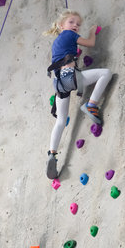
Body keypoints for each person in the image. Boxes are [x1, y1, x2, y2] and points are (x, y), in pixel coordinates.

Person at [43, 10, 112, 179]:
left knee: (60, 120)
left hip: (59, 84)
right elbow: (90, 43)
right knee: (106, 73)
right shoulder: (69, 35)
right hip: (71, 77)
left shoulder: (57, 42)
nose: (75, 26)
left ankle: (52, 153)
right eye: (71, 22)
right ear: (61, 26)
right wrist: (91, 31)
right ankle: (92, 104)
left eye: (78, 24)